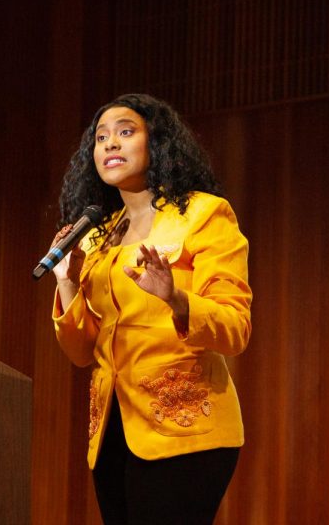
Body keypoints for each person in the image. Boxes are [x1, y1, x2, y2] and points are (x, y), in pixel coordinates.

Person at [49, 93, 252, 525]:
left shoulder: (204, 215)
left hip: (186, 430)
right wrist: (67, 282)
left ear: (156, 143)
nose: (110, 145)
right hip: (112, 433)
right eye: (100, 138)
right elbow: (80, 352)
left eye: (125, 132)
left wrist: (176, 298)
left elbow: (235, 328)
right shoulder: (96, 236)